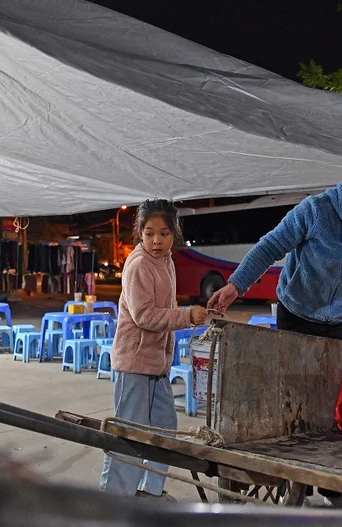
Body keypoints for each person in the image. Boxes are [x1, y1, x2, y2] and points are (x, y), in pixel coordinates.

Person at [207, 161, 342, 510]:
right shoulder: (316, 211)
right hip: (296, 313)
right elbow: (270, 246)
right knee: (290, 397)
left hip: (339, 320)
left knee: (336, 402)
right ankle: (291, 471)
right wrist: (236, 285)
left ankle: (333, 485)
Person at [99, 199, 208, 500]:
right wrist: (186, 316)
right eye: (149, 234)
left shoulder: (167, 262)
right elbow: (145, 316)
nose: (156, 241)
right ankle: (115, 502)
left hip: (158, 365)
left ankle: (150, 491)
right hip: (134, 363)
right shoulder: (138, 266)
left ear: (175, 234)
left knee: (164, 428)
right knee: (130, 435)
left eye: (163, 234)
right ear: (139, 234)